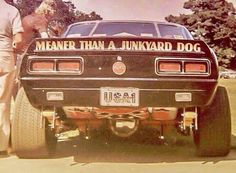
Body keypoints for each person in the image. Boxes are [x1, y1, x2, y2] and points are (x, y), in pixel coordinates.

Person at [0, 0, 23, 156]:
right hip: (4, 54)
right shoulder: (10, 10)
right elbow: (19, 40)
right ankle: (1, 147)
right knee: (3, 100)